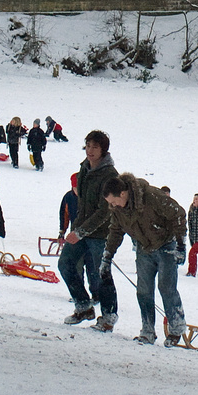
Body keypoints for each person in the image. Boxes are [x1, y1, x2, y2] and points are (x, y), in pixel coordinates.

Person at [98, 173, 188, 345]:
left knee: (166, 287)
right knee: (143, 290)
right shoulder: (118, 210)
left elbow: (178, 214)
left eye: (113, 201)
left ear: (123, 194)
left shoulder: (151, 196)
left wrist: (181, 246)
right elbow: (116, 231)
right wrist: (107, 256)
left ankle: (176, 328)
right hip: (144, 248)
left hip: (166, 245)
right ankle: (147, 330)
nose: (112, 205)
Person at [59, 129, 119, 328]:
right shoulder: (83, 169)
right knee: (65, 264)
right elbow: (82, 203)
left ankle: (109, 317)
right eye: (88, 146)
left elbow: (105, 211)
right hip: (81, 229)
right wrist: (75, 228)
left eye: (95, 147)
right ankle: (83, 306)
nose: (90, 150)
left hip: (100, 234)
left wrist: (81, 231)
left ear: (103, 150)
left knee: (101, 274)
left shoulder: (110, 175)